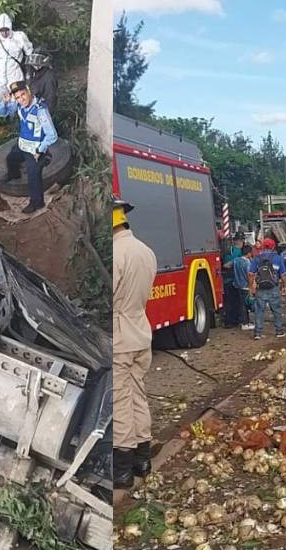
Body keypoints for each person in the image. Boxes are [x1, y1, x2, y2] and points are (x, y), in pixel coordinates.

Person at [112, 198, 158, 489]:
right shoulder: (145, 251)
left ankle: (122, 470)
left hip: (120, 335)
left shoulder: (116, 254)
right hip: (141, 331)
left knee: (120, 400)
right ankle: (143, 458)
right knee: (137, 393)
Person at [0, 81, 58, 214]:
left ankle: (37, 203)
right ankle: (14, 173)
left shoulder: (40, 110)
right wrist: (5, 102)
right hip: (23, 144)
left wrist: (40, 150)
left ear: (28, 91)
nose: (21, 99)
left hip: (35, 149)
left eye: (23, 95)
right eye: (17, 97)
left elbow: (52, 135)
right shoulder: (19, 106)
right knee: (11, 158)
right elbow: (2, 113)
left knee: (33, 176)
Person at [0, 13, 33, 104]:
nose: (4, 33)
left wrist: (30, 72)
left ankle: (17, 115)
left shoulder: (19, 37)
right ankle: (4, 117)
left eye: (7, 30)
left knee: (17, 97)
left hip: (14, 74)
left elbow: (29, 53)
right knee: (2, 100)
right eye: (2, 30)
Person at [248, 237, 286, 341]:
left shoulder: (257, 258)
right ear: (273, 247)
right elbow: (283, 275)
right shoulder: (278, 258)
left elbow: (251, 274)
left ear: (263, 246)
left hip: (260, 289)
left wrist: (251, 287)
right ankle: (279, 331)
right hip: (274, 287)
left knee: (259, 310)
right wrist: (284, 287)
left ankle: (257, 333)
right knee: (276, 309)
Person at [221, 233, 245, 328]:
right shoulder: (239, 252)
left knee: (228, 302)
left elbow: (224, 264)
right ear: (240, 241)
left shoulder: (228, 251)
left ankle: (229, 321)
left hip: (226, 280)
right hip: (235, 280)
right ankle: (234, 320)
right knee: (236, 301)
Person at [232, 245, 254, 330]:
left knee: (241, 304)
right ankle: (245, 323)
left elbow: (227, 265)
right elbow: (249, 275)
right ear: (248, 253)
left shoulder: (236, 260)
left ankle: (244, 322)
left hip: (237, 285)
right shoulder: (247, 262)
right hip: (245, 286)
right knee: (245, 305)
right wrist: (251, 286)